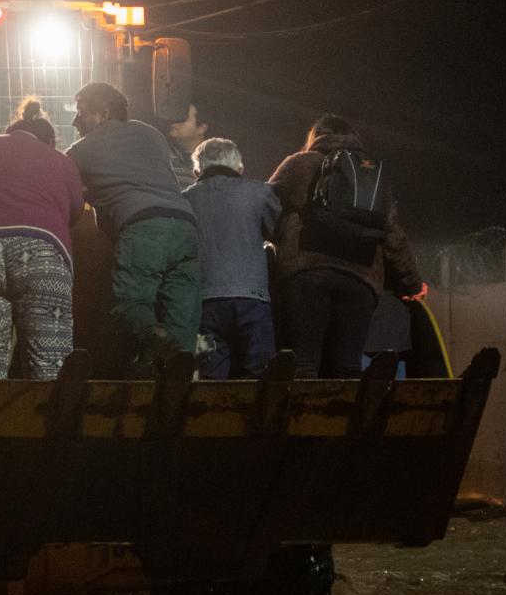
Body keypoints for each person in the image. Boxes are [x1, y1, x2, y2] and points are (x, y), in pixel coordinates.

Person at [267, 114, 424, 378]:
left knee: (304, 362)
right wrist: (411, 283)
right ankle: (340, 418)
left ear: (315, 137)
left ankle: (302, 419)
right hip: (360, 279)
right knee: (347, 365)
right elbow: (392, 233)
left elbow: (266, 206)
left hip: (307, 274)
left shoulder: (300, 164)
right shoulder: (371, 172)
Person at [66, 82, 201, 373]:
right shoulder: (150, 133)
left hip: (142, 227)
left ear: (102, 113)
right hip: (185, 226)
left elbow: (67, 196)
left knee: (129, 303)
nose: (75, 120)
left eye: (81, 112)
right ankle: (181, 367)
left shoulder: (79, 151)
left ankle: (155, 337)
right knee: (182, 311)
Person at [0, 101, 84, 379]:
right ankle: (47, 421)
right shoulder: (60, 160)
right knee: (49, 362)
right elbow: (75, 211)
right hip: (41, 251)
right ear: (48, 139)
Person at [183, 137, 281, 379]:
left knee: (209, 377)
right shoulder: (260, 193)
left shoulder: (184, 199)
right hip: (252, 299)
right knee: (260, 375)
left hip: (204, 303)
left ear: (197, 170)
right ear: (239, 168)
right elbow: (278, 231)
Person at [165, 102, 211, 190]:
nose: (174, 122)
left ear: (201, 128)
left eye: (183, 118)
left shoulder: (217, 166)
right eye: (177, 116)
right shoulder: (161, 153)